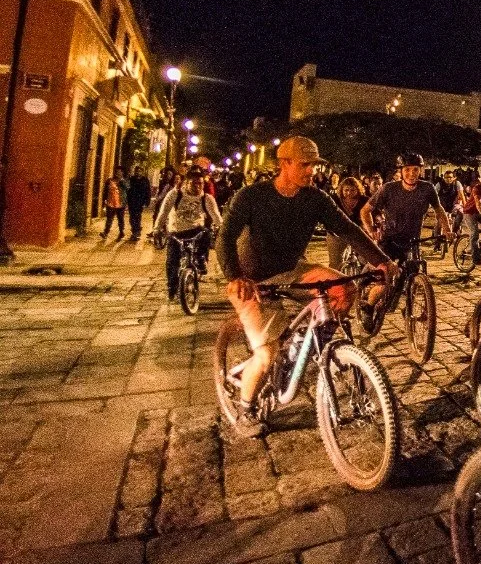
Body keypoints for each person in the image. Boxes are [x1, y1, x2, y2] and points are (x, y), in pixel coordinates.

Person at [217, 137, 396, 436]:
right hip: (254, 281)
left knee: (342, 288)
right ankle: (245, 409)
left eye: (314, 164)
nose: (311, 170)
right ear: (284, 163)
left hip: (292, 270)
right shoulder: (251, 196)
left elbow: (348, 230)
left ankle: (306, 343)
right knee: (266, 355)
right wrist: (235, 276)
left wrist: (381, 262)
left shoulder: (315, 198)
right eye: (305, 164)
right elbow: (225, 237)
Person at [361, 153, 454, 264]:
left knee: (414, 272)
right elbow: (365, 210)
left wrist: (447, 229)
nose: (411, 174)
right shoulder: (388, 188)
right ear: (401, 171)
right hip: (389, 241)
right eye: (407, 170)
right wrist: (371, 230)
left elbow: (439, 209)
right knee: (383, 273)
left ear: (421, 170)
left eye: (415, 169)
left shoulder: (428, 188)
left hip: (413, 242)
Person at [153, 169, 223, 308]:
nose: (198, 186)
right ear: (186, 183)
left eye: (200, 183)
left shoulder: (207, 198)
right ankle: (172, 288)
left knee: (206, 233)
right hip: (176, 232)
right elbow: (163, 212)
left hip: (196, 230)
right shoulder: (175, 194)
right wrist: (157, 229)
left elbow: (216, 217)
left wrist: (223, 229)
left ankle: (201, 258)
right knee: (172, 262)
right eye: (194, 183)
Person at [326, 176, 369, 270]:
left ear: (358, 190)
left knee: (366, 261)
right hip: (336, 234)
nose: (349, 193)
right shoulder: (334, 200)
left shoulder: (364, 200)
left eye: (352, 190)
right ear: (341, 190)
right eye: (346, 190)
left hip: (358, 232)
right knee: (335, 264)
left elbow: (373, 211)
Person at [126, 168, 152, 242]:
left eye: (139, 171)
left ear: (142, 172)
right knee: (132, 218)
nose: (138, 172)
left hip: (140, 202)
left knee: (137, 216)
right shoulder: (132, 179)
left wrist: (147, 202)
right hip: (132, 201)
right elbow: (128, 190)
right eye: (136, 171)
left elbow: (148, 191)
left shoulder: (145, 180)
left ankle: (136, 232)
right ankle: (136, 231)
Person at [102, 168, 127, 240]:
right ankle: (105, 232)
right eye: (117, 172)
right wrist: (104, 200)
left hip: (121, 204)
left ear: (122, 173)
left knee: (120, 219)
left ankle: (121, 232)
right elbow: (105, 191)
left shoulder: (124, 181)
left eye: (120, 172)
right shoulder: (109, 180)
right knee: (109, 219)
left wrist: (121, 180)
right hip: (110, 203)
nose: (118, 173)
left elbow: (127, 188)